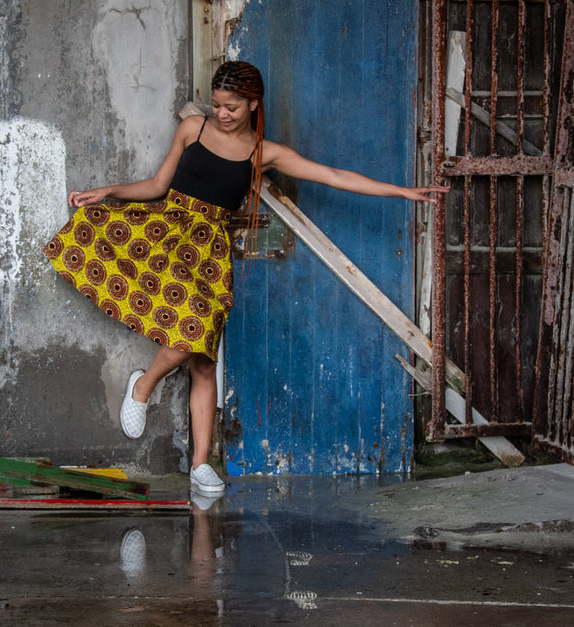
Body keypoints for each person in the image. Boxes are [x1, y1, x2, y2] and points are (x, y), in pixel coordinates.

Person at [44, 61, 448, 497]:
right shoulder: (192, 130)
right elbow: (158, 184)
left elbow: (333, 175)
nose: (222, 113)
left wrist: (404, 191)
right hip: (166, 234)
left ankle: (198, 466)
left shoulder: (263, 152)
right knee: (193, 333)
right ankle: (143, 386)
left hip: (210, 251)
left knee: (202, 356)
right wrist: (109, 191)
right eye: (217, 104)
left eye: (232, 107)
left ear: (253, 104)